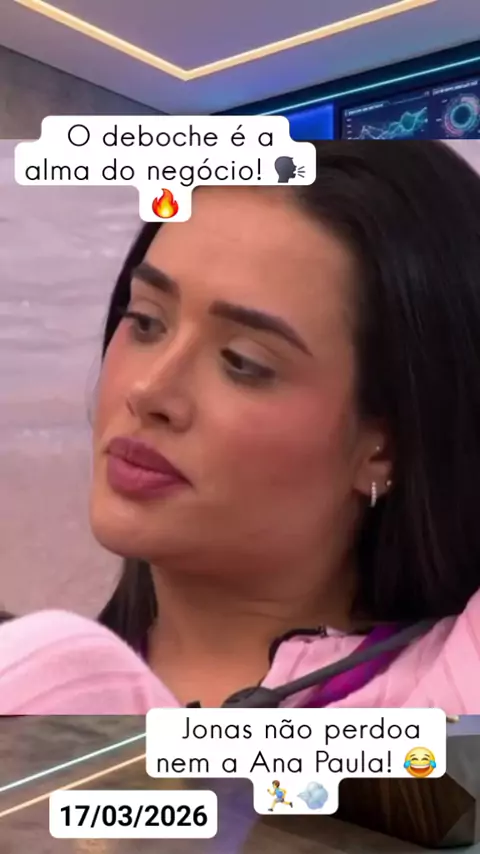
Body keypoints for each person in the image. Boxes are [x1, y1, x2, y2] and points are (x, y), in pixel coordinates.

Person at [2, 140, 480, 714]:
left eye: (244, 362)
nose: (149, 391)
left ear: (385, 447)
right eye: (146, 321)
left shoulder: (452, 690)